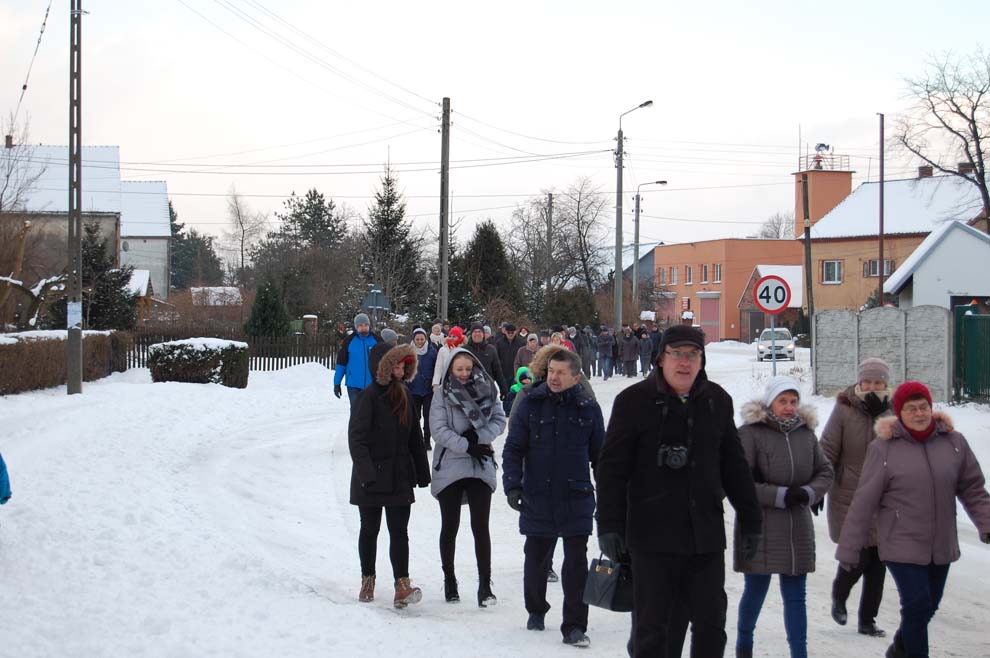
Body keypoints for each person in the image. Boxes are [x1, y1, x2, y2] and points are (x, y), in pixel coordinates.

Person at [596, 324, 762, 657]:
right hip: (651, 539)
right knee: (653, 629)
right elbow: (611, 470)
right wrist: (609, 525)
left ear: (702, 360)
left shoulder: (717, 401)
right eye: (677, 354)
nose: (684, 362)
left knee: (711, 625)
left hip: (704, 537)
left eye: (693, 355)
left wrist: (751, 519)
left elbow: (735, 467)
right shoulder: (633, 401)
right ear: (661, 358)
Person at [837, 381, 990, 658]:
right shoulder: (883, 449)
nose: (919, 414)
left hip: (941, 543)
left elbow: (973, 488)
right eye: (911, 409)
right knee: (917, 604)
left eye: (923, 407)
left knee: (927, 606)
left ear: (931, 408)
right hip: (900, 544)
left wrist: (986, 522)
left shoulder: (954, 443)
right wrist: (849, 548)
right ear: (899, 413)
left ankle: (898, 650)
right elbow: (864, 502)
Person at [502, 349, 604, 648]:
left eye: (561, 373)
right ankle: (536, 608)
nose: (554, 378)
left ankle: (574, 626)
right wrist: (513, 486)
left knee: (576, 563)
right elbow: (513, 448)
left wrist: (609, 495)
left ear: (576, 377)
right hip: (538, 494)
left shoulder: (588, 408)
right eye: (551, 371)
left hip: (576, 496)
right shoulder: (530, 403)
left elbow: (602, 457)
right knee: (536, 560)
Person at [733, 376, 834, 658]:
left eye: (793, 401)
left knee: (796, 596)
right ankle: (744, 645)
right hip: (761, 524)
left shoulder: (806, 435)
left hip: (796, 525)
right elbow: (740, 481)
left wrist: (809, 493)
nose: (789, 407)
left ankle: (799, 653)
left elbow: (825, 471)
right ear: (770, 403)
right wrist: (778, 495)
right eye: (783, 401)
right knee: (755, 590)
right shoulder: (750, 434)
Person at [348, 344, 432, 608]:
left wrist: (422, 471)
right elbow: (357, 439)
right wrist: (367, 474)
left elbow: (415, 437)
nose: (400, 369)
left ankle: (402, 585)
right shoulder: (368, 397)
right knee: (369, 530)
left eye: (403, 365)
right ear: (382, 367)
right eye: (395, 365)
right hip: (371, 478)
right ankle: (368, 579)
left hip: (399, 476)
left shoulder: (405, 394)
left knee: (399, 532)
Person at [819, 357, 894, 638]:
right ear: (859, 381)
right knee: (857, 557)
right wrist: (818, 487)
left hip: (885, 499)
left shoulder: (894, 411)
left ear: (885, 384)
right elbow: (827, 449)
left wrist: (881, 417)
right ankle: (839, 595)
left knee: (879, 562)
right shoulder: (844, 409)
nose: (872, 387)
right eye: (868, 381)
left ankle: (867, 620)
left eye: (878, 382)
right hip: (849, 495)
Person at [430, 348, 507, 607]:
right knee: (450, 525)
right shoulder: (442, 395)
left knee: (480, 526)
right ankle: (449, 579)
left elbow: (499, 420)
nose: (464, 373)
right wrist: (466, 445)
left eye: (467, 368)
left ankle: (485, 585)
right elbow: (438, 430)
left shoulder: (488, 390)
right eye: (459, 369)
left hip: (480, 461)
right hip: (451, 463)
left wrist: (479, 437)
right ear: (450, 370)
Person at [334, 313, 379, 408]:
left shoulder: (377, 340)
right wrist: (337, 383)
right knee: (356, 412)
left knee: (371, 412)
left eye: (366, 325)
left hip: (372, 385)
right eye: (360, 326)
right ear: (356, 327)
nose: (363, 328)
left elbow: (386, 362)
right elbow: (341, 364)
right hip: (354, 385)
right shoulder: (349, 341)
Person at [408, 328, 438, 451]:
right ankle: (417, 440)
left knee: (428, 416)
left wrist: (435, 382)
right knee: (415, 417)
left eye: (422, 339)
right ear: (413, 339)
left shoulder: (432, 352)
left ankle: (426, 440)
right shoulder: (408, 352)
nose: (420, 341)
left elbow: (437, 368)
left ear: (426, 339)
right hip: (413, 389)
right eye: (417, 339)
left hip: (428, 390)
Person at [465, 323, 505, 399]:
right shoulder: (465, 350)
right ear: (471, 334)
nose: (477, 334)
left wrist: (503, 389)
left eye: (479, 331)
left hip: (488, 388)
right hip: (469, 388)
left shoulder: (491, 349)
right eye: (475, 332)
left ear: (483, 334)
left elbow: (498, 371)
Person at [494, 323, 526, 394]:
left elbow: (523, 357)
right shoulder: (499, 342)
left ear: (515, 332)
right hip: (503, 372)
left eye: (512, 332)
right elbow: (496, 357)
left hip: (517, 372)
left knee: (516, 393)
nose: (510, 334)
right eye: (508, 332)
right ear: (505, 332)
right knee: (505, 392)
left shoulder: (521, 342)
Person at [432, 326, 466, 391]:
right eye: (450, 336)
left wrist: (455, 353)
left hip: (461, 383)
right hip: (446, 383)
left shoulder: (463, 349)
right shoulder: (443, 349)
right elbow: (438, 368)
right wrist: (435, 384)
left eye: (454, 336)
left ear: (459, 338)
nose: (451, 338)